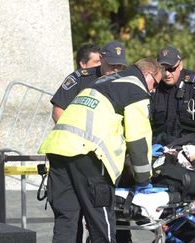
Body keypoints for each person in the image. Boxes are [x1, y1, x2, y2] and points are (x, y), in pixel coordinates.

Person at [38, 58, 164, 243]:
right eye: (156, 83)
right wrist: (144, 181)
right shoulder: (135, 90)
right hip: (89, 156)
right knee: (101, 224)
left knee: (66, 222)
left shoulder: (101, 81)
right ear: (147, 74)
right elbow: (138, 139)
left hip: (57, 150)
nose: (154, 90)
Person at [51, 40, 128, 122]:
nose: (115, 69)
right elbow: (58, 111)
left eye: (119, 65)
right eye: (112, 64)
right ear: (101, 59)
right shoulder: (80, 78)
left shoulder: (126, 84)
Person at [151, 46, 195, 138]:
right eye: (163, 69)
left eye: (171, 69)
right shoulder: (154, 85)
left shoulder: (194, 83)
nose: (167, 74)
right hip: (159, 144)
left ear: (180, 66)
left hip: (190, 144)